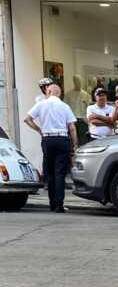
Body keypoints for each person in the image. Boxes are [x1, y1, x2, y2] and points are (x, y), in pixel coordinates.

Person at [24, 84, 78, 213]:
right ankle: (59, 205)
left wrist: (39, 130)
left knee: (50, 172)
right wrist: (75, 144)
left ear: (48, 92)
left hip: (47, 139)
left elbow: (27, 119)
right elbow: (72, 127)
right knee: (60, 173)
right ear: (59, 93)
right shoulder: (65, 106)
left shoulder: (41, 104)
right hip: (62, 139)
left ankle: (52, 204)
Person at [35, 77, 54, 185]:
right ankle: (46, 180)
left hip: (57, 130)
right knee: (47, 157)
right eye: (47, 86)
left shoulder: (55, 97)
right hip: (46, 131)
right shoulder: (40, 99)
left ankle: (59, 180)